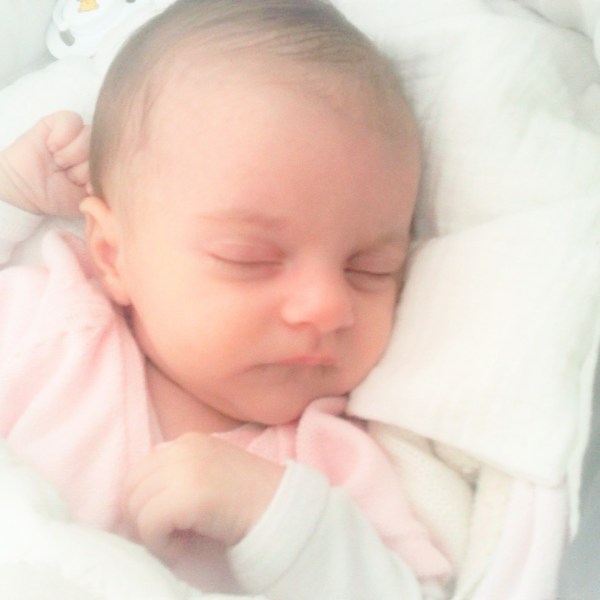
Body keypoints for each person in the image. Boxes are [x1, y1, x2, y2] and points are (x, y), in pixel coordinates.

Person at [0, 1, 450, 598]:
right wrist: (11, 195)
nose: (328, 307)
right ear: (112, 255)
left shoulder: (328, 469)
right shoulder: (47, 324)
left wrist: (280, 520)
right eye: (250, 258)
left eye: (370, 269)